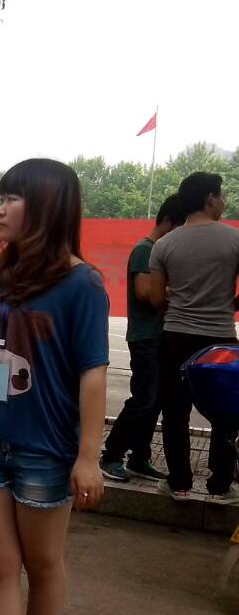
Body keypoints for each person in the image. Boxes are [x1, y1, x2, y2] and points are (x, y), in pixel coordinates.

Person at [0, 159, 109, 615]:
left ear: (46, 206)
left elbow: (93, 374)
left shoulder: (82, 283)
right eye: (0, 198)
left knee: (43, 564)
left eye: (11, 199)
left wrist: (88, 457)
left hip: (46, 449)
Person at [148, 172, 239, 503]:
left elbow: (156, 300)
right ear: (210, 198)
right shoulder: (234, 239)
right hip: (221, 340)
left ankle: (179, 483)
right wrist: (228, 304)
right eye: (222, 196)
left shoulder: (164, 245)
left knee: (175, 411)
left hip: (176, 337)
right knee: (227, 412)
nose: (223, 202)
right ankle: (221, 486)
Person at [100, 195, 185, 482]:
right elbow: (145, 294)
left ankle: (140, 457)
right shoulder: (144, 250)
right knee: (144, 398)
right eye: (179, 228)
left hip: (159, 336)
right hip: (144, 337)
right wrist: (175, 293)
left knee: (155, 400)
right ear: (168, 221)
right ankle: (111, 455)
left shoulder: (159, 251)